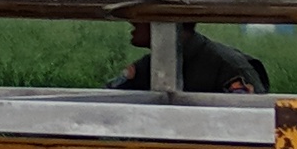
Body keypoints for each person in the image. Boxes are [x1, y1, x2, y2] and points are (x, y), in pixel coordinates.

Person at [107, 19, 271, 93]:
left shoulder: (229, 66)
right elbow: (109, 96)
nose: (131, 21)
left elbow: (255, 123)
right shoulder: (148, 66)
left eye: (141, 16)